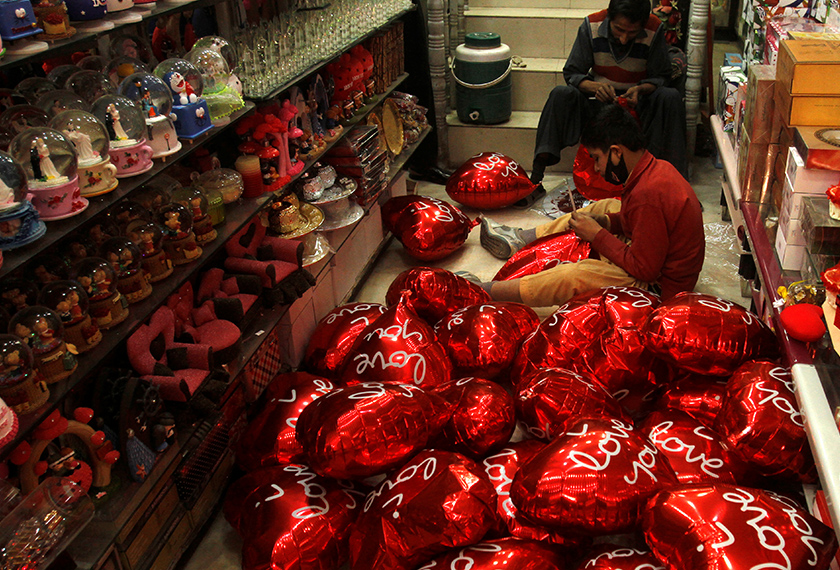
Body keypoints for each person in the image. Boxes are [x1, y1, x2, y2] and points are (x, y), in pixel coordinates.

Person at [475, 104, 704, 307]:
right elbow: (636, 222)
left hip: (660, 290)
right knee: (605, 208)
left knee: (577, 276)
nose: (596, 168)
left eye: (596, 158)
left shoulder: (647, 195)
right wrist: (604, 223)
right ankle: (522, 238)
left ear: (616, 152)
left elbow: (645, 269)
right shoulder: (654, 168)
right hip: (655, 261)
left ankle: (487, 292)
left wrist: (597, 235)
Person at [521, 0, 687, 208]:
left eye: (632, 32)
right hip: (599, 105)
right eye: (619, 29)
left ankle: (678, 188)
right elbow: (572, 73)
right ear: (609, 17)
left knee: (669, 97)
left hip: (637, 105)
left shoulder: (654, 28)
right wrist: (594, 87)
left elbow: (661, 76)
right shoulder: (591, 26)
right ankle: (535, 180)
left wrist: (640, 89)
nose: (624, 38)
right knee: (561, 94)